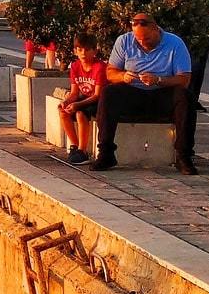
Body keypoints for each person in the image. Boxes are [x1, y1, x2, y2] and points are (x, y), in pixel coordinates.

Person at [92, 12, 197, 175]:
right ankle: (106, 152)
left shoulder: (175, 43)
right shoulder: (124, 41)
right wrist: (123, 76)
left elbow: (184, 79)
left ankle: (183, 155)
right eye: (138, 40)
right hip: (133, 91)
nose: (142, 43)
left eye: (147, 39)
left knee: (185, 97)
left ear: (156, 30)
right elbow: (110, 72)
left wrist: (159, 80)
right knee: (109, 93)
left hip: (162, 92)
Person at [58, 32, 106, 164]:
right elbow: (74, 93)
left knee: (80, 113)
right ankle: (74, 145)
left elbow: (97, 95)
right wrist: (66, 102)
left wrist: (78, 105)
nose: (83, 53)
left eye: (87, 50)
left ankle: (82, 150)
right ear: (75, 51)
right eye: (80, 50)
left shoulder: (100, 67)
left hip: (97, 101)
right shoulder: (75, 66)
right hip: (83, 97)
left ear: (95, 50)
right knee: (62, 111)